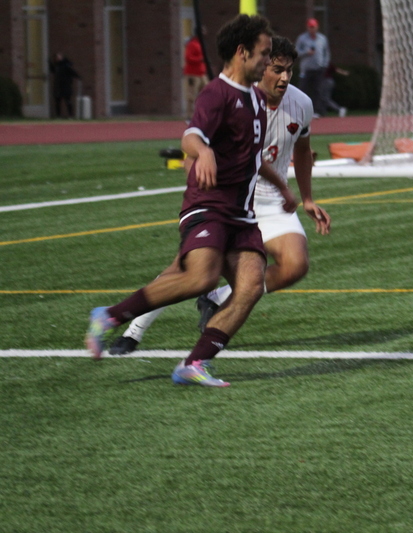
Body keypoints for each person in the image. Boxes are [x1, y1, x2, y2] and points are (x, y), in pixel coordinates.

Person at [85, 14, 284, 388]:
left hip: (241, 215)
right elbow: (191, 135)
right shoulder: (216, 93)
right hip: (207, 206)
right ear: (242, 53)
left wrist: (284, 188)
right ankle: (109, 316)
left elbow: (254, 156)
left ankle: (194, 363)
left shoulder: (257, 98)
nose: (268, 61)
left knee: (251, 287)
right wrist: (202, 152)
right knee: (201, 277)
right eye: (263, 53)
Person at [108, 36, 331, 357]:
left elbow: (303, 150)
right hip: (229, 200)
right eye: (277, 70)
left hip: (272, 202)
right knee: (187, 272)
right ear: (259, 67)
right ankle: (133, 330)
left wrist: (307, 199)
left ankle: (215, 301)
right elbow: (191, 148)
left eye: (289, 71)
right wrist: (202, 193)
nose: (284, 78)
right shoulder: (231, 99)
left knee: (295, 265)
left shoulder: (302, 104)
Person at [296, 18, 330, 117]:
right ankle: (301, 111)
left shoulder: (322, 38)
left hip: (319, 69)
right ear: (307, 27)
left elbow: (326, 52)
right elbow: (296, 52)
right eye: (310, 27)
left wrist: (325, 64)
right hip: (306, 69)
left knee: (318, 90)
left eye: (314, 27)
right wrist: (306, 52)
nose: (312, 29)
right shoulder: (302, 38)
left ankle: (316, 111)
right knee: (303, 90)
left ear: (317, 27)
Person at [184, 26, 209, 121]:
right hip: (192, 73)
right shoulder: (192, 44)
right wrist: (199, 59)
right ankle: (189, 116)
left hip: (201, 73)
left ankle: (203, 113)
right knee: (191, 94)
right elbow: (188, 57)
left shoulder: (200, 44)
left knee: (207, 92)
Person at [50, 53, 80, 119]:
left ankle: (71, 115)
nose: (58, 58)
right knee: (57, 102)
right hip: (58, 86)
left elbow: (72, 72)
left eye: (59, 57)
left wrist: (78, 77)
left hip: (66, 86)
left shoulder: (66, 65)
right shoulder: (56, 66)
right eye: (57, 57)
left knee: (68, 101)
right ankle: (58, 116)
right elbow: (53, 70)